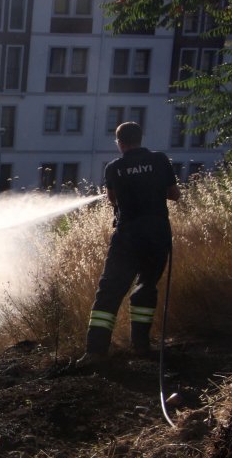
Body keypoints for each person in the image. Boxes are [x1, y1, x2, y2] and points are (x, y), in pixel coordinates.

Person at [77, 121, 181, 367]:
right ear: (140, 138)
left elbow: (113, 200)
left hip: (128, 236)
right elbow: (174, 194)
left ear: (119, 143)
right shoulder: (160, 160)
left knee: (110, 291)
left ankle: (95, 351)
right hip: (157, 234)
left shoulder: (115, 167)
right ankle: (141, 346)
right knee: (146, 286)